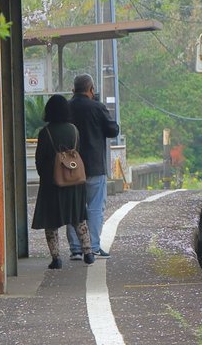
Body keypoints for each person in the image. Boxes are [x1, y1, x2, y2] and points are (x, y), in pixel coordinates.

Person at [31, 94, 94, 268]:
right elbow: (77, 152)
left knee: (51, 223)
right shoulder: (74, 130)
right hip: (74, 182)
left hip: (52, 184)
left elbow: (40, 159)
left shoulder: (45, 132)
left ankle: (56, 258)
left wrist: (46, 176)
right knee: (78, 218)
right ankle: (88, 253)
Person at [66, 73, 120, 260]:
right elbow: (113, 130)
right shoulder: (97, 107)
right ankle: (94, 246)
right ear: (91, 89)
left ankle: (76, 249)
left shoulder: (66, 107)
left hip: (70, 167)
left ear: (73, 89)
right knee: (95, 207)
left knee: (73, 207)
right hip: (94, 166)